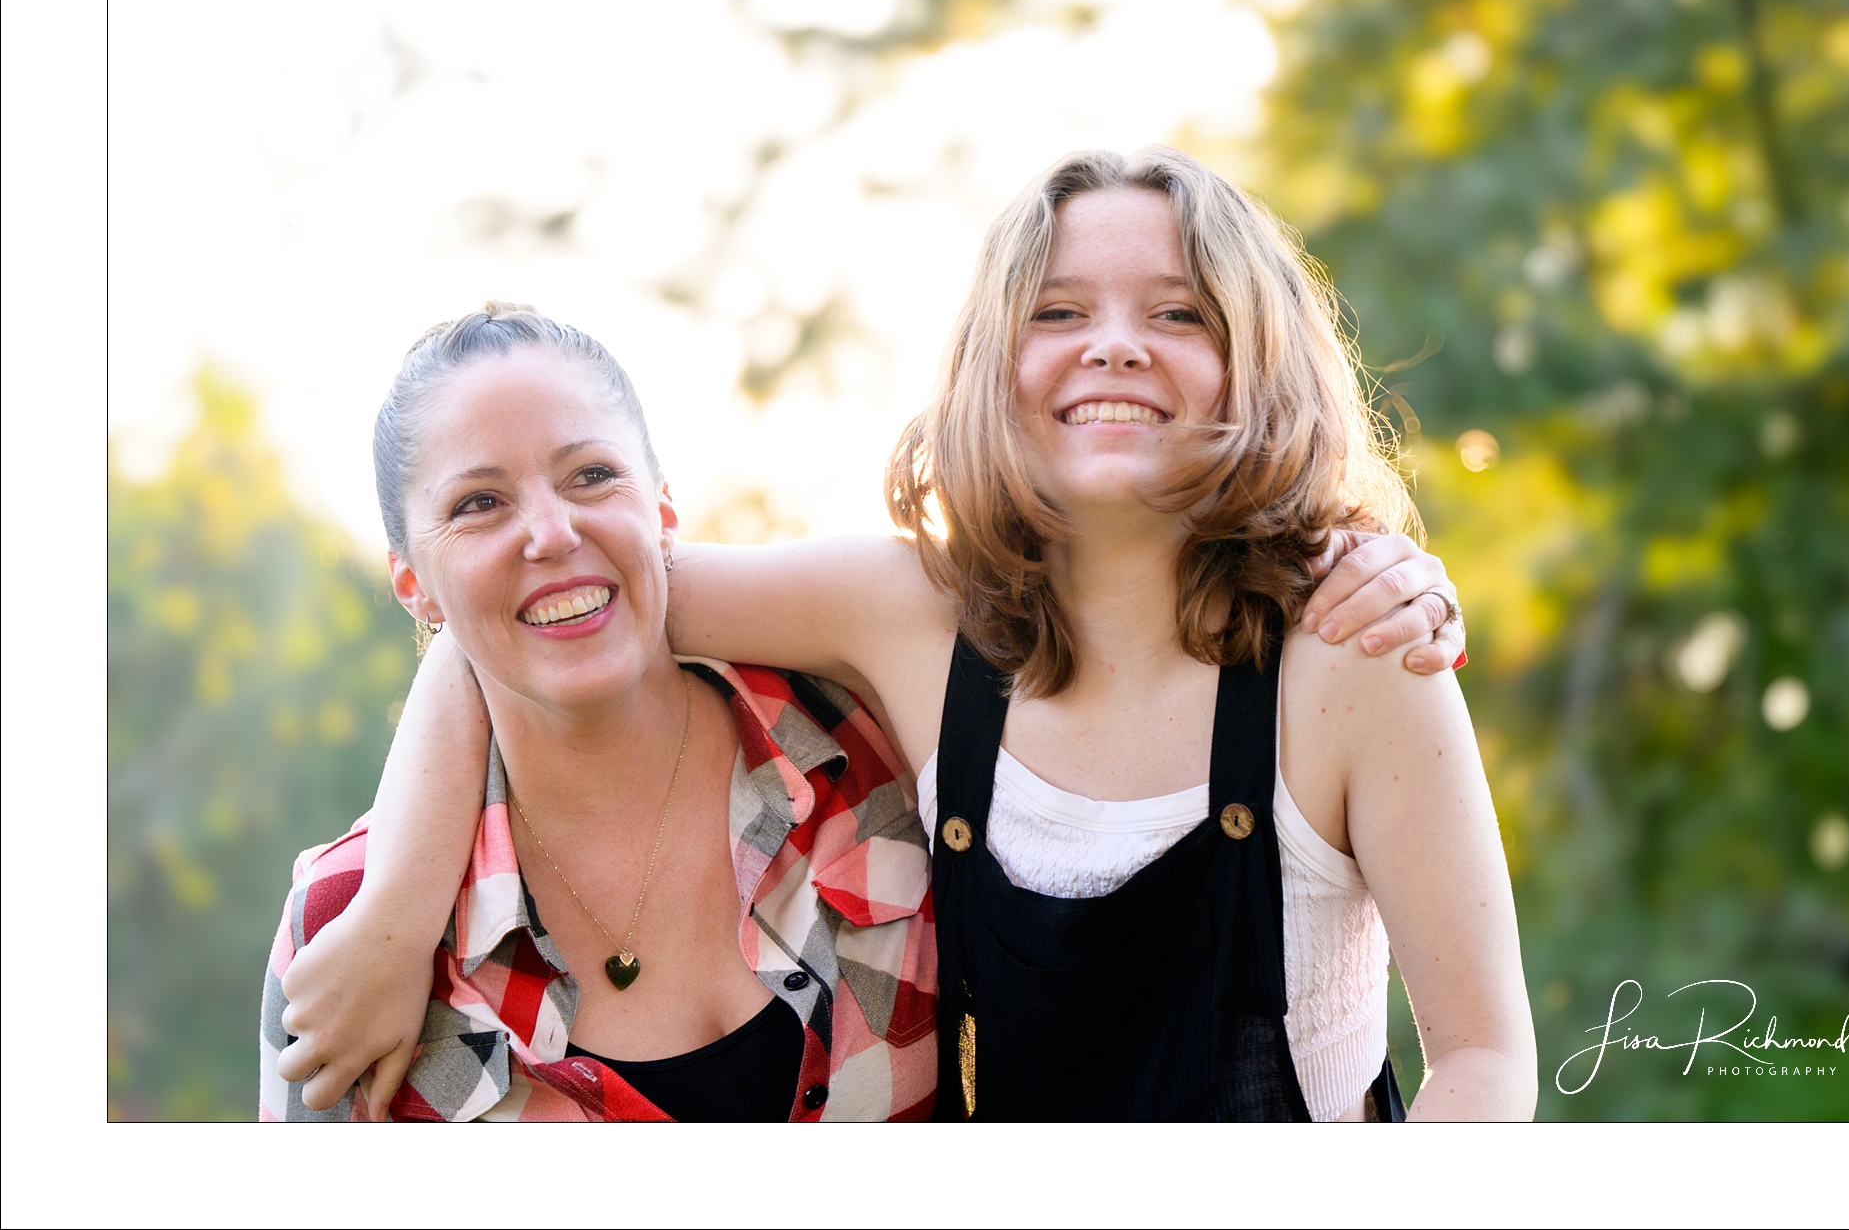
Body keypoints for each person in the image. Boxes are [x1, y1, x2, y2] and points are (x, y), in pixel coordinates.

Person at [281, 145, 1517, 1121]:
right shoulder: (908, 613)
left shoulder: (1351, 657)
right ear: (993, 361)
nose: (1115, 342)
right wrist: (393, 915)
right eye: (1057, 309)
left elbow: (1482, 1061)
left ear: (1258, 360)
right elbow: (547, 605)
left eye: (1181, 312)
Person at [260, 308, 937, 1120]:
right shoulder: (344, 927)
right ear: (413, 583)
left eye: (590, 475)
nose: (551, 532)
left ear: (662, 508)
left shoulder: (873, 749)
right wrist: (399, 914)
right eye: (479, 502)